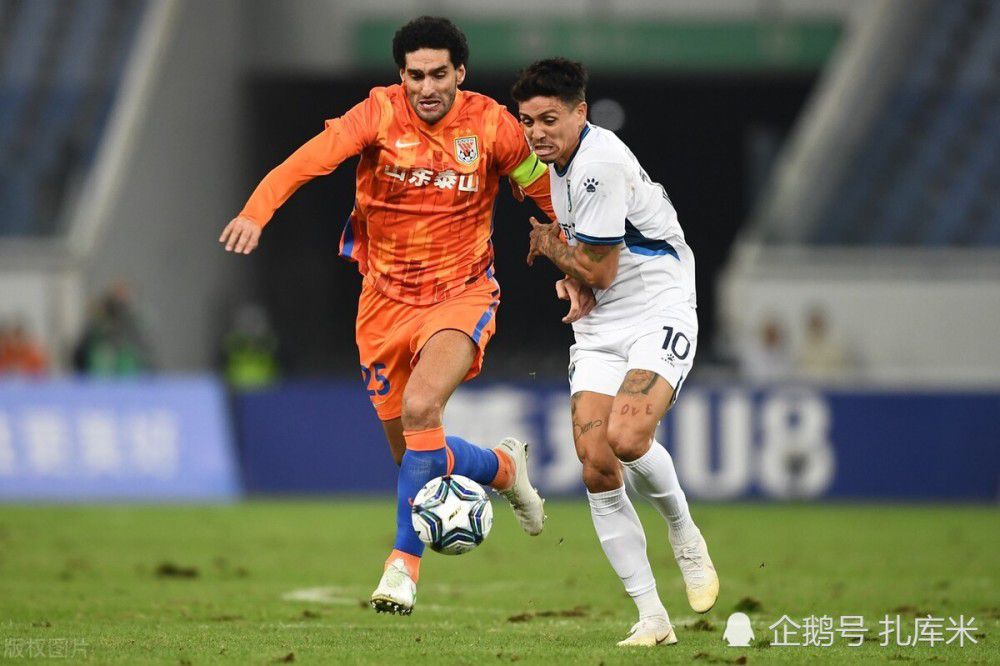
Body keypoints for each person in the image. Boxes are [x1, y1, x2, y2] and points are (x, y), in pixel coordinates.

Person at [219, 17, 550, 616]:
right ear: (401, 76)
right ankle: (503, 468)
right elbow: (306, 162)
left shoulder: (493, 126)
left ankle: (402, 568)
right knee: (412, 458)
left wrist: (567, 250)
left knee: (425, 407)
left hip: (461, 293)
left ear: (461, 73)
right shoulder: (376, 115)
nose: (428, 87)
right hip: (384, 302)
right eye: (416, 75)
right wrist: (255, 212)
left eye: (440, 75)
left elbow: (542, 185)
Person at [513, 59, 719, 647]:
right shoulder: (561, 167)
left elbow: (601, 267)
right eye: (528, 121)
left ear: (580, 112)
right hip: (603, 325)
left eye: (550, 118)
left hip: (659, 306)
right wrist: (569, 273)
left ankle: (683, 530)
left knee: (628, 438)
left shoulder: (598, 161)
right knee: (596, 463)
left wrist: (554, 251)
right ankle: (652, 618)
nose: (537, 132)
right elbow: (595, 264)